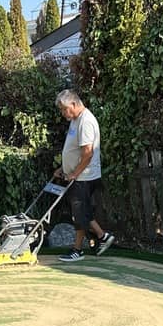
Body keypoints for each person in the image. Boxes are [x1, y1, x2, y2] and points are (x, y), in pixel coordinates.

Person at [53, 89, 115, 262]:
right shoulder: (75, 120)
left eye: (64, 109)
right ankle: (102, 237)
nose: (63, 113)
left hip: (84, 177)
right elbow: (73, 150)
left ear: (73, 104)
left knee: (80, 215)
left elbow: (87, 153)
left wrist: (74, 174)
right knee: (82, 212)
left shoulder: (86, 121)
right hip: (77, 175)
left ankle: (78, 250)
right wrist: (62, 168)